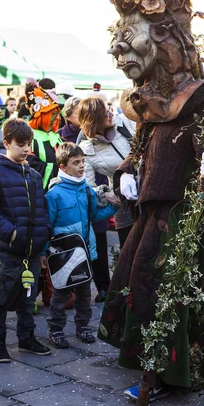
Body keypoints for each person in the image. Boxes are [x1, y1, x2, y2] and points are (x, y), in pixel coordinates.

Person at [97, 0, 204, 406]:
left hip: (182, 215)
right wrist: (128, 166)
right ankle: (147, 361)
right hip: (151, 208)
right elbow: (145, 140)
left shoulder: (202, 97)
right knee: (135, 280)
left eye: (128, 37)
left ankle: (163, 372)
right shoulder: (150, 101)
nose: (118, 51)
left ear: (161, 36)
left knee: (163, 286)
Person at [0, 119, 51, 362]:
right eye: (20, 144)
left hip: (31, 252)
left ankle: (26, 339)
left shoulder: (32, 174)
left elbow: (41, 210)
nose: (26, 149)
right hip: (7, 250)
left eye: (28, 144)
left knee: (27, 296)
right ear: (7, 143)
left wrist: (42, 247)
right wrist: (11, 233)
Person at [44, 143, 118, 348]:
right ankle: (56, 329)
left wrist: (113, 207)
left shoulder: (86, 190)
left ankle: (82, 326)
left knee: (85, 293)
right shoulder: (54, 194)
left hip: (85, 251)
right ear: (63, 166)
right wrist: (43, 253)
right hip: (63, 254)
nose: (81, 166)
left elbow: (94, 215)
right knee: (61, 294)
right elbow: (46, 225)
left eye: (82, 161)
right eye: (76, 162)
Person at [78, 96, 135, 249]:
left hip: (149, 191)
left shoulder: (126, 123)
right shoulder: (87, 149)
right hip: (124, 204)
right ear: (94, 120)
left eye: (110, 110)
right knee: (130, 250)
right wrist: (105, 194)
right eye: (106, 114)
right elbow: (86, 186)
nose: (111, 115)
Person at [25, 81, 63, 192]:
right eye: (51, 114)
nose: (55, 119)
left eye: (55, 114)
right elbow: (30, 168)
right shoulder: (29, 138)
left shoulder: (56, 137)